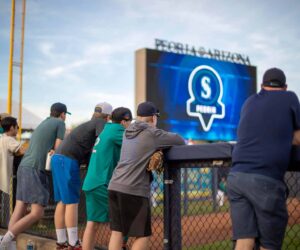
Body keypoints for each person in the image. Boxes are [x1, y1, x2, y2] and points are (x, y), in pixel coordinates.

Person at [227, 68, 300, 250]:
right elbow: (298, 137)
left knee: (244, 240)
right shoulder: (290, 97)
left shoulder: (249, 101)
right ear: (285, 86)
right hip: (265, 179)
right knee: (269, 245)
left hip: (236, 178)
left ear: (262, 86)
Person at [108, 101, 185, 250]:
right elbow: (180, 140)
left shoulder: (127, 131)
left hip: (114, 186)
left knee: (117, 232)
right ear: (153, 117)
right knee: (142, 235)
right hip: (133, 189)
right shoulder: (152, 133)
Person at [0, 103, 68, 248]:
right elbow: (59, 148)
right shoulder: (60, 123)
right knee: (37, 213)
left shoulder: (44, 122)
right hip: (35, 169)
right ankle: (4, 240)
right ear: (62, 114)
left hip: (24, 167)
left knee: (20, 208)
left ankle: (9, 245)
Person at [51, 102, 112, 250]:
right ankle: (73, 243)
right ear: (108, 116)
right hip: (68, 159)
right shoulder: (100, 122)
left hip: (57, 158)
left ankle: (62, 242)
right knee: (72, 202)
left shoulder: (89, 123)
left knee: (62, 202)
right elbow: (101, 141)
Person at [82, 107, 133, 250]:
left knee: (92, 224)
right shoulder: (118, 130)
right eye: (130, 121)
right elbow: (137, 144)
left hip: (91, 182)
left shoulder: (107, 129)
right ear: (123, 122)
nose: (130, 125)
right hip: (101, 183)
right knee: (122, 220)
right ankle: (122, 245)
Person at [0, 117, 25, 195]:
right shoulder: (9, 139)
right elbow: (22, 151)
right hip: (5, 182)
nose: (17, 129)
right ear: (11, 128)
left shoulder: (1, 138)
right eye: (17, 127)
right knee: (8, 206)